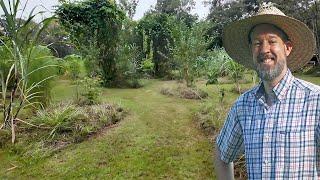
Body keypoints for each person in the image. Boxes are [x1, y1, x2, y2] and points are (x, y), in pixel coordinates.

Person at [214, 4, 320, 180]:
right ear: (251, 50)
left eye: (272, 41)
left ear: (287, 47)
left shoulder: (315, 100)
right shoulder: (243, 106)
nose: (264, 50)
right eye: (257, 43)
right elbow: (221, 153)